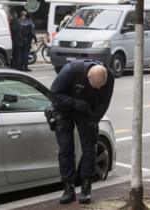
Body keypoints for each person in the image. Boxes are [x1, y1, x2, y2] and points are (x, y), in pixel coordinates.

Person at [50, 59, 114, 205]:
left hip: (86, 110)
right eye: (96, 86)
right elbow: (53, 94)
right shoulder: (70, 71)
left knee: (89, 148)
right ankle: (68, 188)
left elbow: (104, 102)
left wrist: (95, 119)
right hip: (65, 109)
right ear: (88, 77)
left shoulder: (108, 76)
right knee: (66, 149)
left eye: (101, 86)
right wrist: (73, 103)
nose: (98, 89)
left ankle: (86, 188)